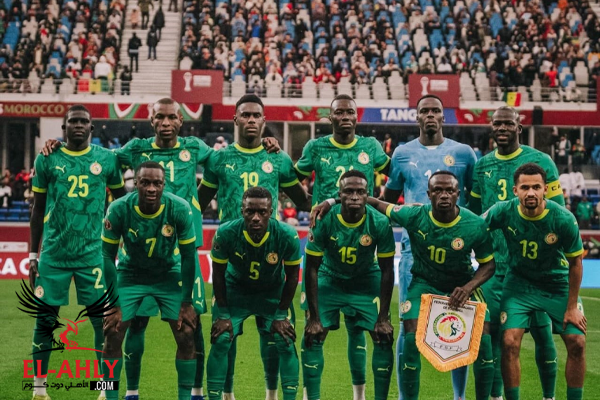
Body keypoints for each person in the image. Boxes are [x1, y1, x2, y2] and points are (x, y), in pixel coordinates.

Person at [314, 171, 495, 400]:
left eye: (449, 190)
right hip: (424, 284)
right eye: (438, 190)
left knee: (484, 338)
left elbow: (488, 265)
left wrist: (468, 287)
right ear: (428, 194)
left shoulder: (475, 224)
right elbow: (372, 202)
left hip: (462, 286)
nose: (444, 195)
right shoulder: (413, 215)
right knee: (410, 336)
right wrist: (332, 201)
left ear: (458, 194)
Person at [198, 94, 311, 400]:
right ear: (235, 120)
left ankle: (271, 394)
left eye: (256, 115)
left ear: (264, 120)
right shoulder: (219, 159)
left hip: (269, 258)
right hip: (233, 256)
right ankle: (227, 394)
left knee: (275, 335)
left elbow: (303, 202)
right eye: (245, 115)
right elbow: (198, 203)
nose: (250, 120)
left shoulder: (279, 159)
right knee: (225, 336)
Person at [295, 94, 390, 400]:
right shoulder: (315, 147)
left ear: (357, 117)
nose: (346, 117)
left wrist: (383, 207)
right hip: (327, 244)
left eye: (350, 112)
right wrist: (307, 205)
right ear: (330, 117)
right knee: (314, 331)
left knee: (360, 329)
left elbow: (396, 176)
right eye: (340, 112)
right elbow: (290, 180)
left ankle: (359, 395)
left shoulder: (371, 147)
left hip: (362, 244)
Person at [383, 94, 477, 400]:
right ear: (417, 117)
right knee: (408, 326)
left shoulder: (464, 153)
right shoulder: (401, 154)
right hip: (414, 254)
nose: (431, 115)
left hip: (456, 254)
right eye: (425, 111)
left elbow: (475, 200)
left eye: (436, 110)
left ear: (443, 116)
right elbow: (389, 201)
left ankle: (459, 396)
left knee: (459, 325)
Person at [29, 105, 126, 400]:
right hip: (54, 255)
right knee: (45, 321)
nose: (79, 125)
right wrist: (32, 256)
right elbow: (37, 210)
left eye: (84, 121)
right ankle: (39, 388)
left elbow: (122, 202)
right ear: (64, 127)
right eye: (73, 121)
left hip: (92, 255)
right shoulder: (48, 158)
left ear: (92, 128)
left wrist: (117, 232)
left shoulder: (106, 159)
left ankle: (103, 388)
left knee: (102, 323)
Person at [469, 106, 564, 400]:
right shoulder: (482, 165)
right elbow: (475, 216)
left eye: (508, 123)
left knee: (542, 332)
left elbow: (558, 213)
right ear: (491, 127)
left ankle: (549, 396)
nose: (502, 128)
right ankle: (497, 396)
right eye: (497, 123)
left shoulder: (541, 161)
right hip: (493, 268)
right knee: (496, 336)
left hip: (532, 268)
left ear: (518, 127)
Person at [483, 163, 586, 400]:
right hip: (519, 285)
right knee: (509, 341)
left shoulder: (563, 218)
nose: (531, 192)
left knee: (577, 342)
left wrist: (571, 307)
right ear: (515, 190)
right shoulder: (503, 211)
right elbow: (474, 226)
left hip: (557, 284)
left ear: (545, 189)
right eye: (525, 187)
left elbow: (576, 262)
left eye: (536, 187)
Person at [101, 161, 198, 400]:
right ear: (135, 183)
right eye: (145, 182)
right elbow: (107, 256)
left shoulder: (179, 208)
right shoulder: (118, 208)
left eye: (157, 183)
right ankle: (109, 395)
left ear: (164, 185)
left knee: (187, 332)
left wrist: (186, 302)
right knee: (112, 331)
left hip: (168, 273)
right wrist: (113, 303)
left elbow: (189, 256)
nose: (151, 188)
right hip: (130, 274)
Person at [303, 170, 395, 400]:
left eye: (360, 192)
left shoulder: (380, 222)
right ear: (340, 194)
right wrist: (313, 317)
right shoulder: (323, 219)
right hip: (329, 277)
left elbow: (387, 270)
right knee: (313, 334)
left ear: (368, 194)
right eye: (349, 191)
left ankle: (362, 396)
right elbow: (311, 267)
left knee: (383, 336)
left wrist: (383, 317)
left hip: (366, 278)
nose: (354, 196)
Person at [206, 187, 302, 400]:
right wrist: (223, 313)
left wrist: (281, 314)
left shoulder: (287, 235)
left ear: (271, 212)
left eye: (262, 212)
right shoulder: (226, 233)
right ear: (242, 211)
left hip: (272, 292)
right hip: (235, 291)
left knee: (285, 340)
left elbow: (293, 277)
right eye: (250, 212)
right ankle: (222, 396)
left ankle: (275, 396)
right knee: (221, 339)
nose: (256, 217)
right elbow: (218, 275)